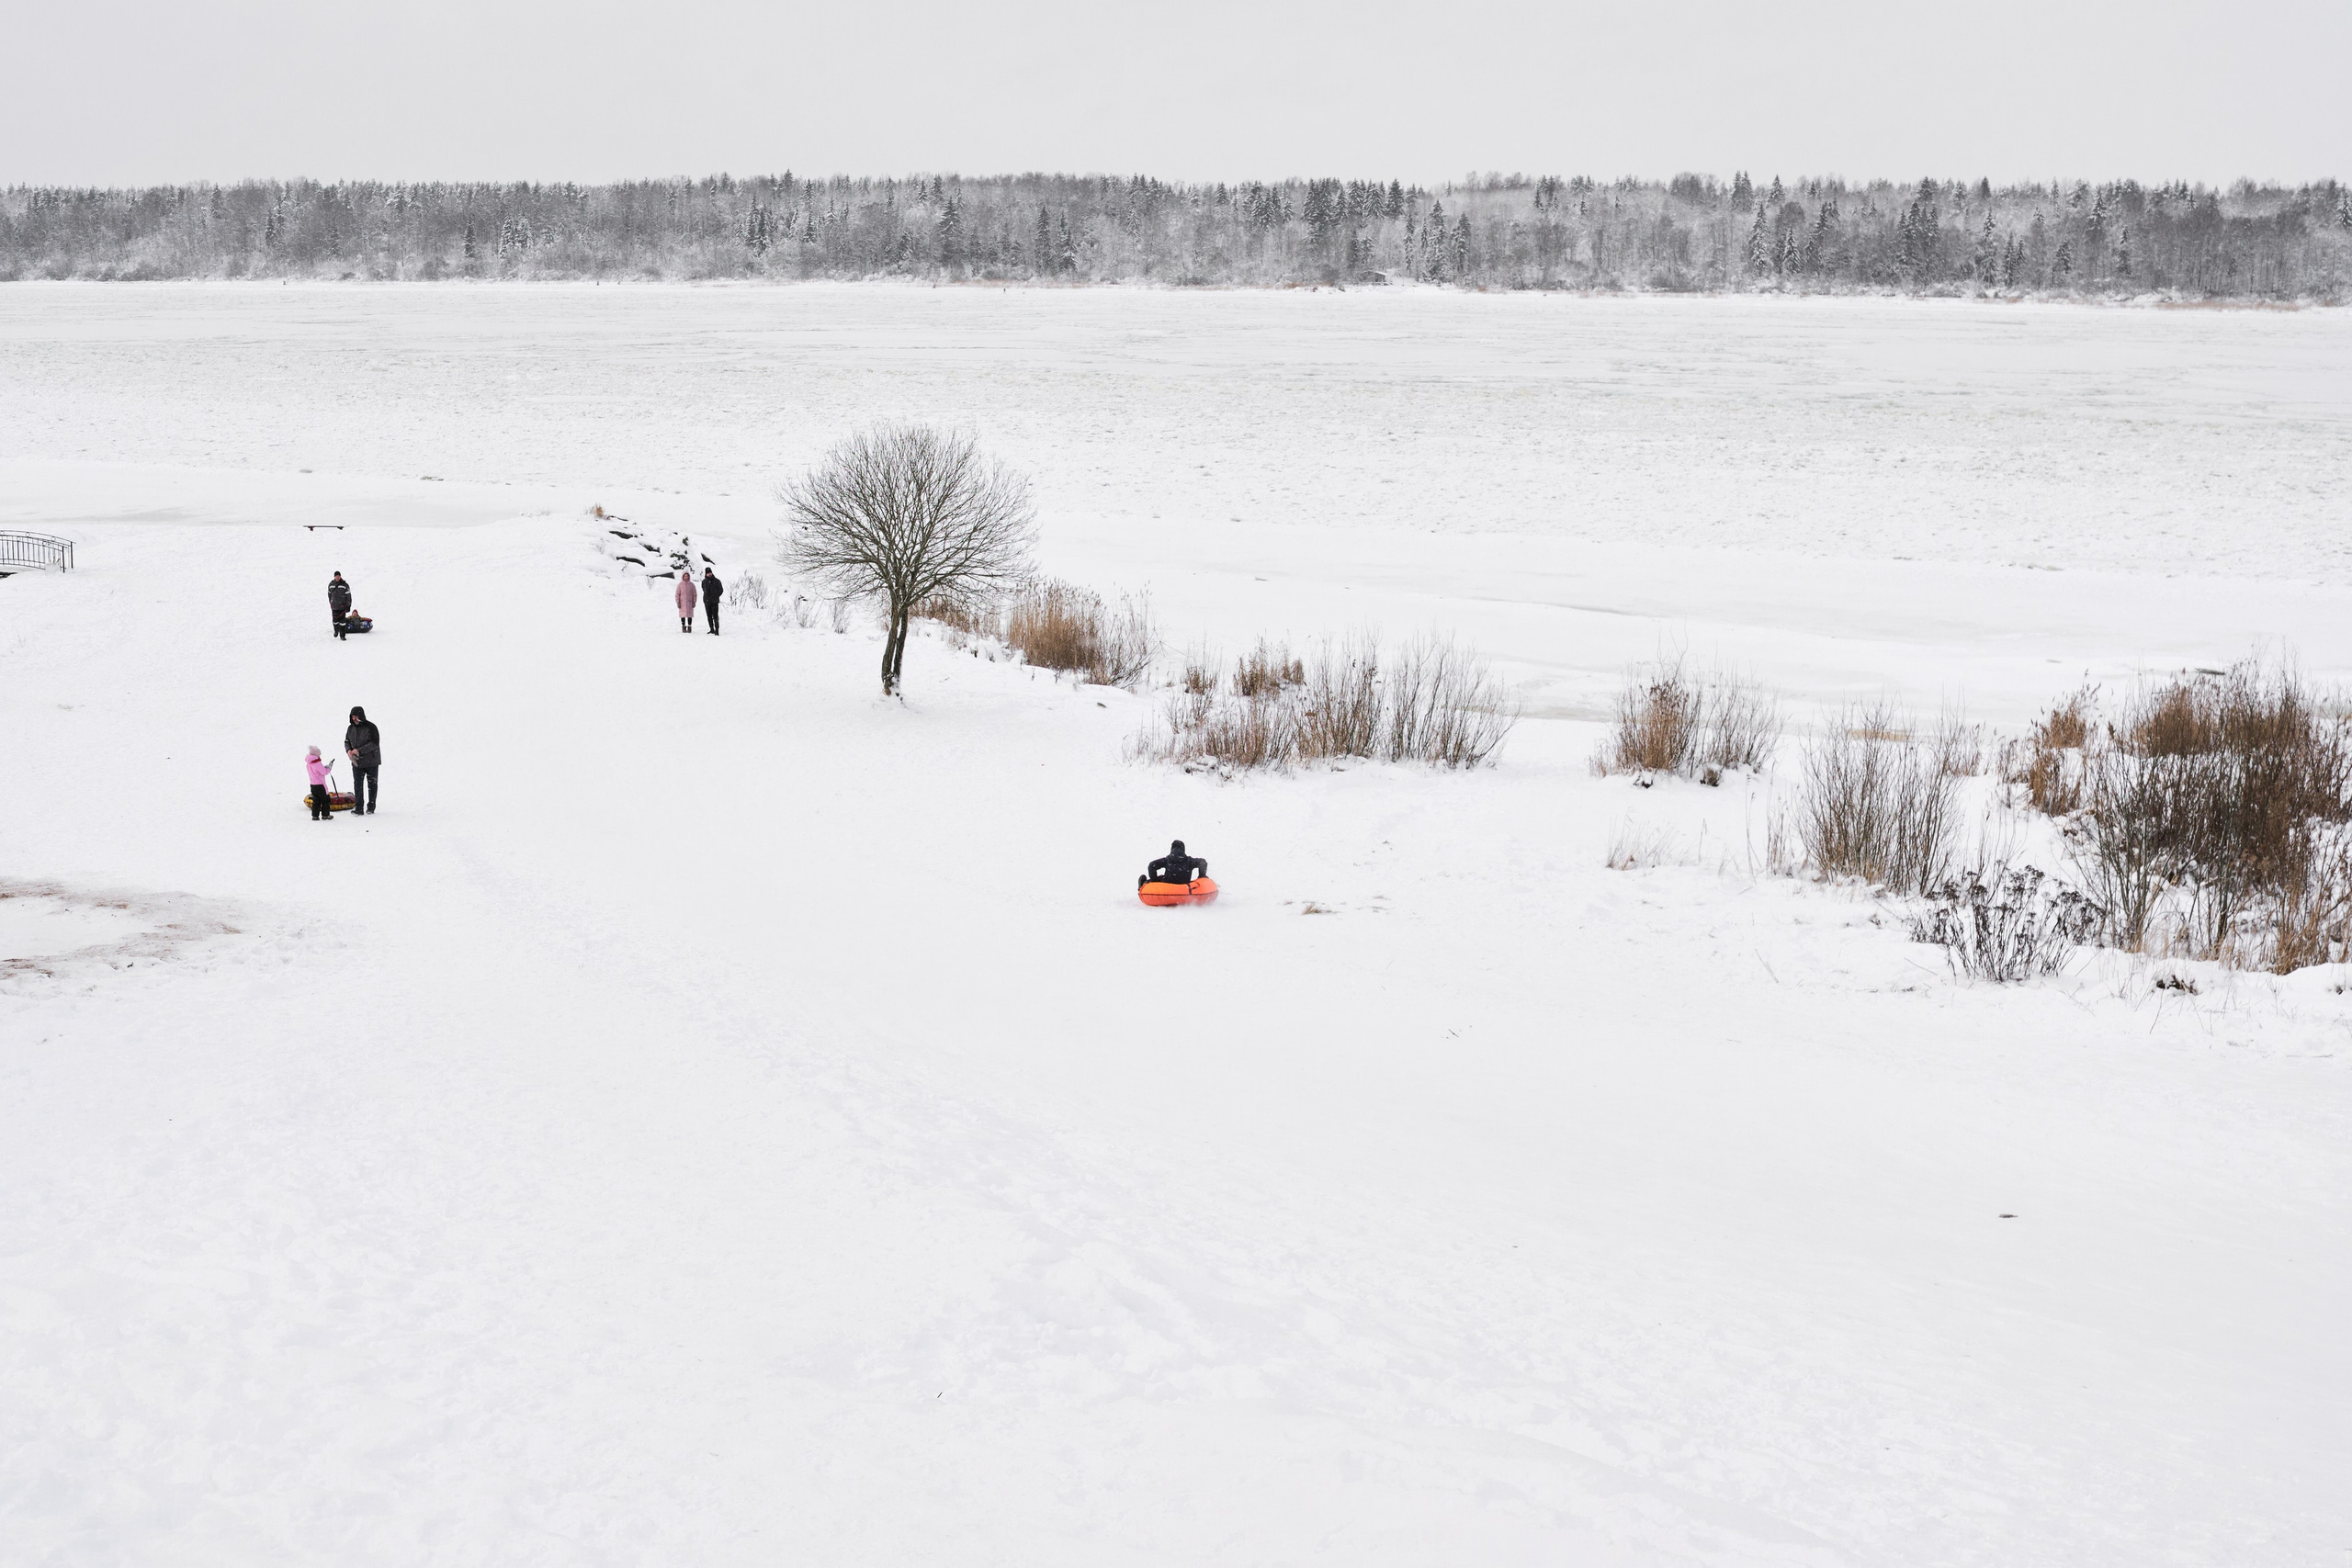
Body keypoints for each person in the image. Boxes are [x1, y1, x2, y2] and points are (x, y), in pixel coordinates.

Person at [345, 705, 381, 815]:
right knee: (358, 785)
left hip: (372, 762)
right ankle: (359, 808)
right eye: (353, 716)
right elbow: (346, 741)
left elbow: (375, 743)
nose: (354, 718)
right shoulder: (350, 728)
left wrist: (359, 750)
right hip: (357, 763)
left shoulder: (371, 727)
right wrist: (349, 751)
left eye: (356, 716)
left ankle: (371, 807)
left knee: (372, 785)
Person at [1140, 840, 1208, 887]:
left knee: (1160, 878)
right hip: (1184, 885)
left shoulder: (1167, 860)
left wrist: (1154, 880)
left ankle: (1143, 885)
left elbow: (1152, 865)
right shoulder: (1189, 861)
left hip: (1167, 885)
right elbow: (1202, 862)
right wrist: (1201, 876)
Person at [305, 746, 338, 821]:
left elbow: (316, 771)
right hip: (320, 785)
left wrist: (323, 767)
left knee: (316, 800)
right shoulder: (317, 762)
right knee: (325, 800)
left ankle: (315, 816)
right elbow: (324, 772)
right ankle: (325, 815)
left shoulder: (309, 763)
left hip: (313, 784)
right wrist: (329, 767)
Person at [328, 572, 353, 640]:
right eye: (336, 576)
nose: (338, 577)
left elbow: (348, 596)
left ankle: (342, 635)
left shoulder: (345, 585)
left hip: (342, 606)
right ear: (334, 577)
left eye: (339, 576)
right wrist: (331, 602)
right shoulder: (331, 585)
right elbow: (329, 595)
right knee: (335, 621)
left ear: (340, 576)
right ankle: (336, 631)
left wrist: (348, 605)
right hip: (334, 606)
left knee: (342, 622)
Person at [701, 567, 724, 635]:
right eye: (708, 573)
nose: (709, 574)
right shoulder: (704, 581)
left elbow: (721, 590)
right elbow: (703, 589)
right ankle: (711, 629)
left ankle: (717, 630)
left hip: (714, 601)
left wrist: (716, 595)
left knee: (715, 616)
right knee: (709, 616)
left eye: (710, 573)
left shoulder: (717, 581)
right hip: (707, 601)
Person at [673, 570, 696, 634]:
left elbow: (694, 594)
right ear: (683, 577)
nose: (686, 577)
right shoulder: (680, 585)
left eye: (687, 576)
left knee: (689, 615)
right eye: (685, 576)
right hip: (682, 603)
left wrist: (694, 602)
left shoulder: (692, 585)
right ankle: (683, 627)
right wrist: (678, 602)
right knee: (683, 615)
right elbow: (677, 594)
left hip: (689, 602)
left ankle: (689, 626)